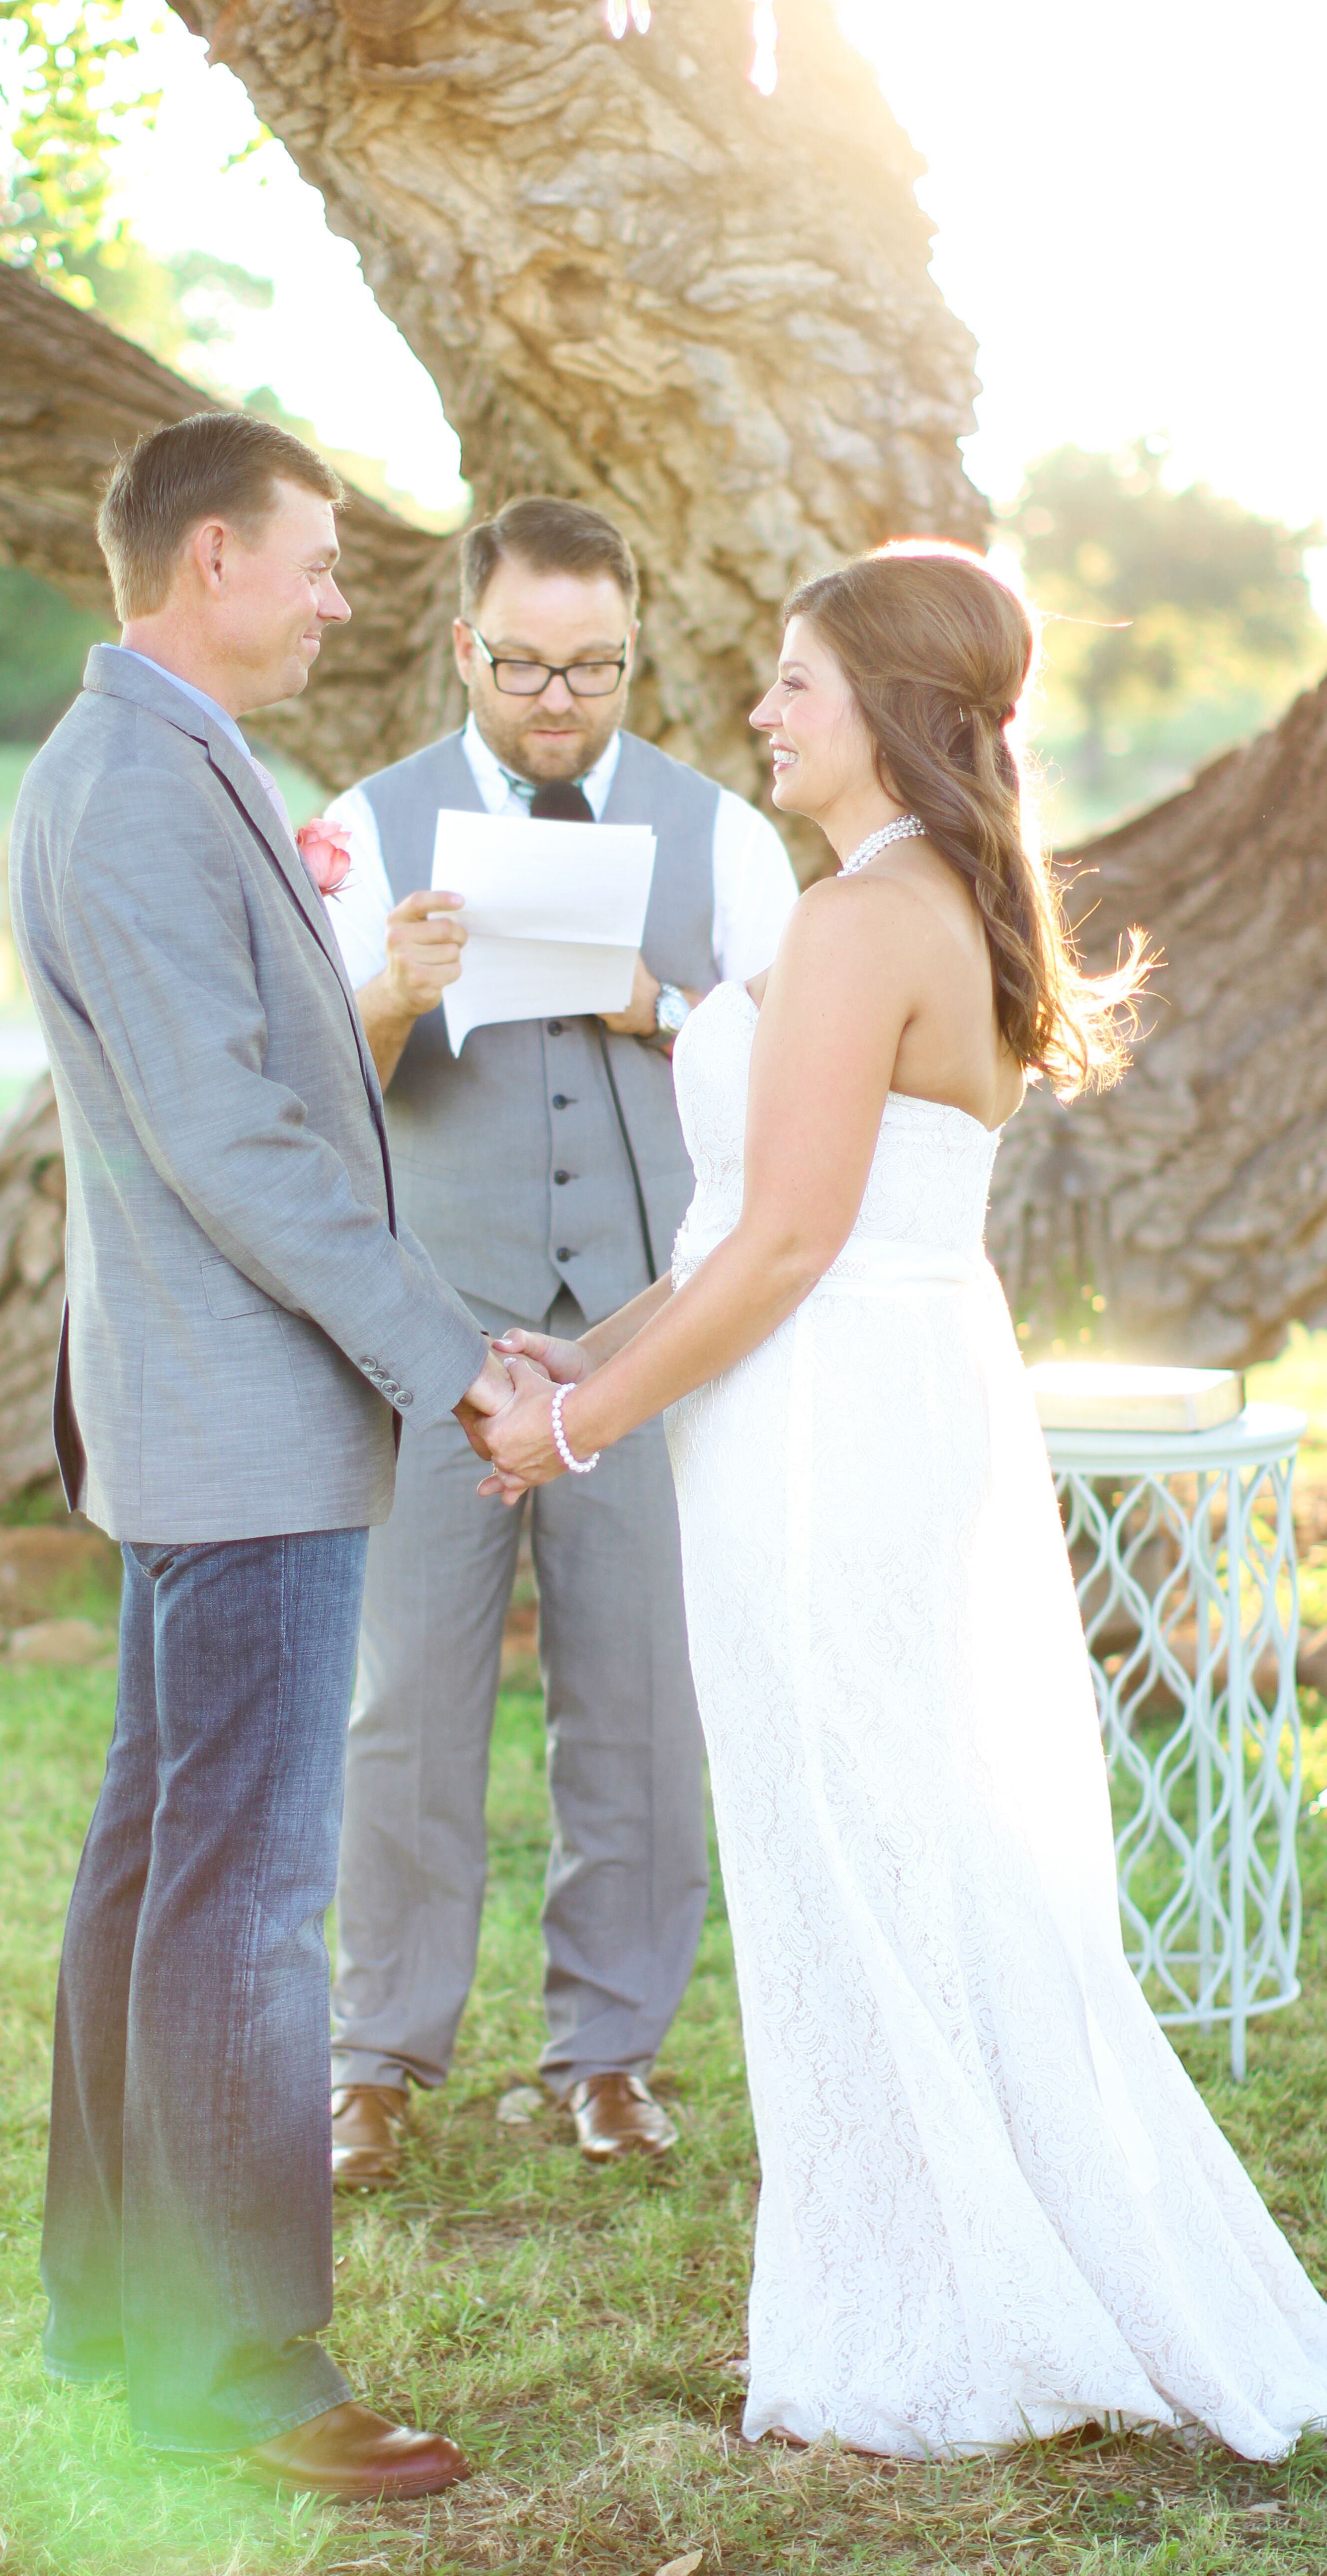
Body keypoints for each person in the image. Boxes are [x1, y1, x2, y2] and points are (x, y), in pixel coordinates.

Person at [474, 542, 1327, 2459]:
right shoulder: (891, 898)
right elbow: (753, 1224)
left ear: (885, 704)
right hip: (835, 1389)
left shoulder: (875, 914)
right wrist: (592, 1351)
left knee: (854, 1841)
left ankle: (936, 2307)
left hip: (823, 1427)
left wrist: (579, 1428)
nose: (765, 712)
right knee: (867, 1832)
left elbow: (792, 1245)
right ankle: (937, 2265)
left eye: (795, 681)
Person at [8, 411, 513, 2497]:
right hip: (242, 1422)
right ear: (210, 559)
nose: (334, 598)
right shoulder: (131, 784)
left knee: (161, 1866)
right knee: (240, 1899)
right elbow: (235, 1146)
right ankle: (238, 2369)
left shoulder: (156, 756)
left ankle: (119, 2311)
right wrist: (439, 1352)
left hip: (209, 1417)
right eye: (312, 564)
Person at [319, 496, 797, 2181]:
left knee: (642, 1698)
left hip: (643, 1338)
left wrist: (658, 1010)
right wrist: (383, 995)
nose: (557, 700)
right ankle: (374, 2058)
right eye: (523, 665)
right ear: (465, 646)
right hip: (430, 1344)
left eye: (593, 667)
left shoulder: (725, 837)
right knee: (405, 1703)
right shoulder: (365, 832)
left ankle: (611, 2049)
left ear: (632, 651)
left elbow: (804, 1080)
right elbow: (298, 1114)